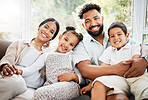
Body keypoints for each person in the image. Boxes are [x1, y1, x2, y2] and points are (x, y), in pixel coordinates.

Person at [72, 3, 148, 100]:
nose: (93, 23)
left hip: (131, 79)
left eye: (96, 18)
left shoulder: (116, 35)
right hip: (107, 82)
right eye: (88, 21)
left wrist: (144, 60)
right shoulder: (82, 45)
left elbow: (142, 47)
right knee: (119, 98)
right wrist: (117, 69)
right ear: (83, 25)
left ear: (102, 19)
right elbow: (86, 70)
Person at [0, 18, 60, 100]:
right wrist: (5, 66)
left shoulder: (51, 52)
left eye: (51, 32)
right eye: (46, 27)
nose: (47, 32)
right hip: (13, 78)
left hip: (31, 89)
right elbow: (7, 60)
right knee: (16, 83)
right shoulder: (19, 43)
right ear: (40, 27)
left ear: (52, 37)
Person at [31, 26, 83, 100]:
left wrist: (74, 76)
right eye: (65, 39)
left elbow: (83, 78)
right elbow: (34, 68)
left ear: (73, 48)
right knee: (41, 92)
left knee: (41, 93)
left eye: (71, 44)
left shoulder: (71, 56)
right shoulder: (47, 53)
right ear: (60, 37)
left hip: (70, 86)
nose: (66, 45)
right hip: (51, 86)